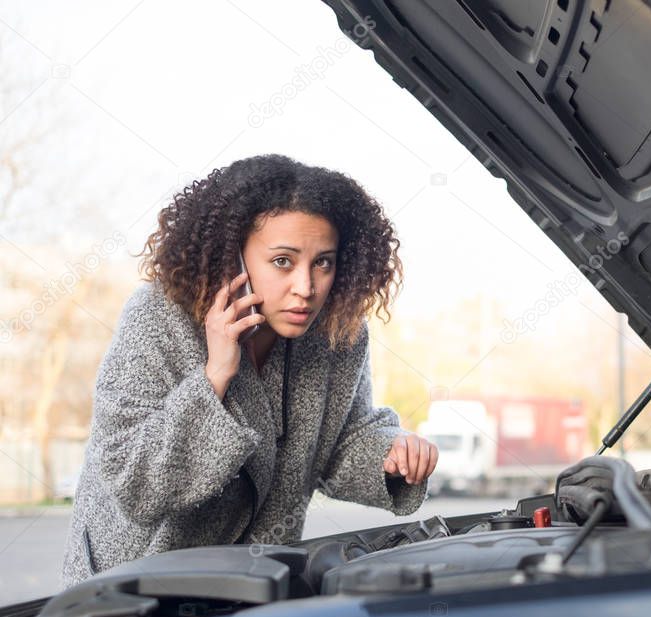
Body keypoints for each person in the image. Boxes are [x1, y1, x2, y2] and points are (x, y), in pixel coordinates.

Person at [60, 154, 438, 589]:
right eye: (282, 261)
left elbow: (340, 443)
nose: (306, 287)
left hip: (253, 585)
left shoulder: (338, 334)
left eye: (324, 262)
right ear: (233, 256)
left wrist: (392, 453)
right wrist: (214, 377)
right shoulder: (157, 318)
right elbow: (134, 482)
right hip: (130, 590)